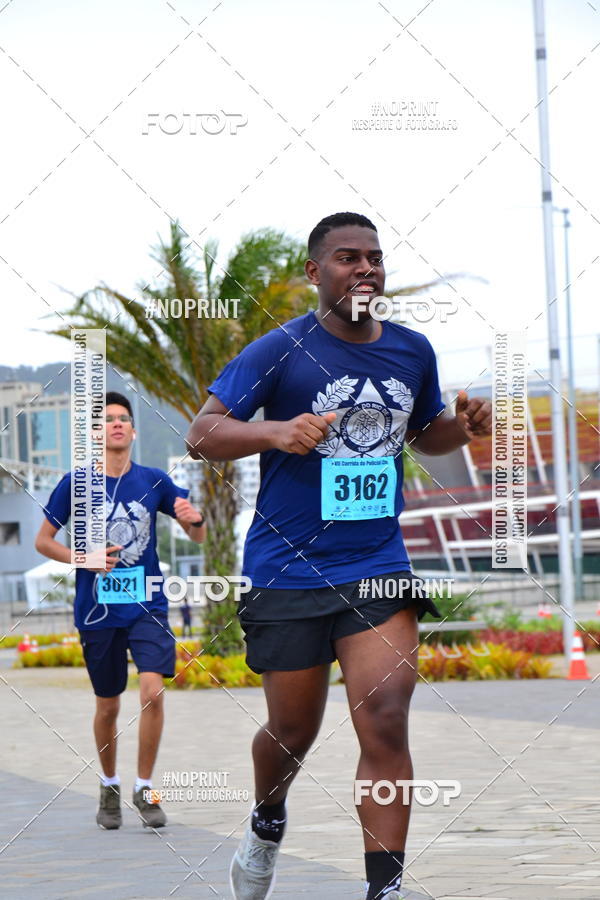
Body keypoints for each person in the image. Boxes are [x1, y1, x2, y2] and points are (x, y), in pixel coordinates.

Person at [186, 212, 492, 900]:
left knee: (384, 718)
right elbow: (201, 435)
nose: (366, 269)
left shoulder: (412, 350)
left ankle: (385, 888)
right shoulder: (279, 350)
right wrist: (274, 432)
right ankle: (267, 819)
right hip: (287, 568)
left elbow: (424, 433)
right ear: (314, 272)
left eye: (374, 258)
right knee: (292, 732)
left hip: (376, 565)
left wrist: (461, 428)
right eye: (348, 258)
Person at [35, 391, 206, 830]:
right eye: (107, 419)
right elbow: (43, 541)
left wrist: (195, 519)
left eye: (123, 418)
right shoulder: (75, 483)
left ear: (133, 431)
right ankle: (109, 784)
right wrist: (84, 558)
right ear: (96, 433)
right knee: (108, 705)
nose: (116, 424)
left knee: (152, 692)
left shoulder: (154, 480)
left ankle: (145, 789)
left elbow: (197, 534)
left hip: (148, 604)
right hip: (98, 610)